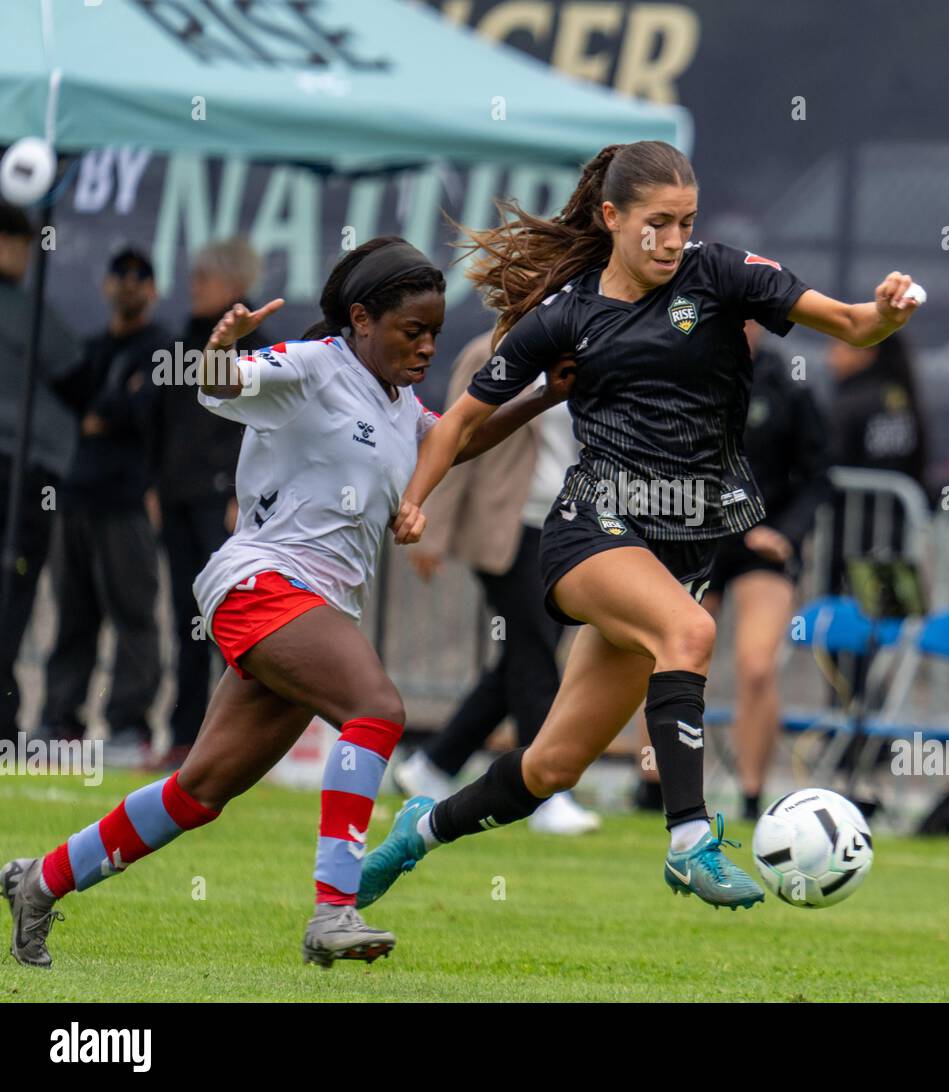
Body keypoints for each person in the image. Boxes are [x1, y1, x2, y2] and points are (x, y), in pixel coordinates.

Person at [361, 140, 919, 912]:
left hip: (683, 549)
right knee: (689, 633)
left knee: (550, 768)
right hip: (593, 529)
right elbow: (459, 422)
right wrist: (418, 497)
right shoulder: (566, 314)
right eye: (657, 222)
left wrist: (884, 314)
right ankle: (689, 839)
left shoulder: (722, 274)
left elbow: (853, 327)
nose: (672, 239)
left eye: (685, 222)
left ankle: (417, 831)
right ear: (613, 217)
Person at [3, 235, 571, 969]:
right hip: (261, 583)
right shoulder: (312, 366)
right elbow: (220, 384)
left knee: (198, 793)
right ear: (360, 319)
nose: (427, 345)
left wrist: (544, 395)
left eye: (434, 331)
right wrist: (220, 348)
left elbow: (454, 443)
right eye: (412, 331)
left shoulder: (398, 402)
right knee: (379, 709)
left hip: (315, 607)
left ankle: (38, 882)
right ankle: (334, 910)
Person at [396, 331, 600, 835]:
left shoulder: (587, 340)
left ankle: (433, 765)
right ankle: (548, 795)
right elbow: (455, 437)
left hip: (567, 525)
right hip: (505, 530)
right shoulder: (487, 351)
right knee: (531, 655)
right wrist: (432, 526)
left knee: (519, 661)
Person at [635, 319, 829, 821]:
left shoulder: (786, 384)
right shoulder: (679, 372)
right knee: (666, 653)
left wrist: (786, 534)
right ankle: (653, 782)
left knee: (756, 666)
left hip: (759, 547)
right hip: (693, 536)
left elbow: (816, 475)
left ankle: (750, 795)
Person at [39, 247, 167, 765]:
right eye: (122, 276)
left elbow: (131, 411)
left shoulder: (161, 349)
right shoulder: (89, 350)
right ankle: (59, 722)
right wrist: (105, 408)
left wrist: (106, 410)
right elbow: (74, 407)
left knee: (134, 615)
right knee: (73, 617)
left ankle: (127, 726)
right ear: (106, 285)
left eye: (141, 277)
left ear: (153, 290)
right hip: (74, 500)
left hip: (126, 502)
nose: (130, 285)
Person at [153, 239, 277, 771]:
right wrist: (154, 487)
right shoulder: (182, 342)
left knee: (230, 623)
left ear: (234, 288)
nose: (193, 284)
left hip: (223, 505)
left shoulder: (263, 350)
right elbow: (162, 425)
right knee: (185, 617)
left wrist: (236, 495)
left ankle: (237, 745)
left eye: (204, 278)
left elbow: (263, 430)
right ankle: (184, 740)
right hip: (178, 499)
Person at [0, 202, 80, 743]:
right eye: (20, 244)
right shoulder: (18, 308)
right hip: (21, 473)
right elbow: (73, 371)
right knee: (12, 595)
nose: (26, 257)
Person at [825, 331, 927, 592]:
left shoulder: (850, 404)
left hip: (849, 537)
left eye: (839, 346)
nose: (830, 357)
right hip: (896, 535)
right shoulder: (903, 397)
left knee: (845, 617)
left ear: (866, 352)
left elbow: (827, 464)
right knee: (887, 612)